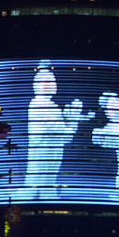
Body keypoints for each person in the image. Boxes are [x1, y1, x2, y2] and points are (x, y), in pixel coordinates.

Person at [21, 64, 93, 201]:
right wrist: (74, 117)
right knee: (36, 184)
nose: (50, 84)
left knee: (48, 180)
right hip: (43, 155)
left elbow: (63, 129)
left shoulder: (52, 106)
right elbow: (64, 133)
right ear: (36, 84)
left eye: (52, 80)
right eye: (45, 81)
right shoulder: (39, 105)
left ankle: (46, 197)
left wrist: (76, 117)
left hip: (53, 152)